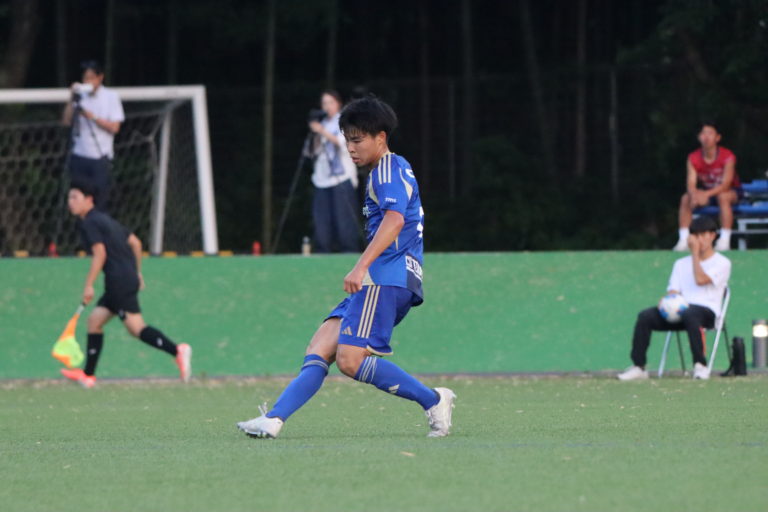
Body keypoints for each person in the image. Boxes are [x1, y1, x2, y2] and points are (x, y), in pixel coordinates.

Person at [237, 96, 455, 438]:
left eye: (357, 140)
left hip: (384, 278)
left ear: (380, 137)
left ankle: (433, 400)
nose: (350, 148)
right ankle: (274, 419)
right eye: (347, 139)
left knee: (350, 361)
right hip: (384, 278)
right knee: (320, 347)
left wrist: (360, 266)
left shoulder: (387, 169)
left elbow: (395, 220)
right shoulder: (390, 169)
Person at [61, 182, 191, 388]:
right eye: (69, 197)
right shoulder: (107, 221)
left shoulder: (90, 223)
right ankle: (88, 376)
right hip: (123, 278)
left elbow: (100, 254)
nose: (71, 202)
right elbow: (136, 243)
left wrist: (89, 285)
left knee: (136, 328)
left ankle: (177, 350)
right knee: (94, 321)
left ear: (89, 199)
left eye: (75, 197)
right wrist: (136, 272)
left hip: (117, 281)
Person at [619, 216, 731, 381]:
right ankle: (639, 367)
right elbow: (673, 291)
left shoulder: (722, 263)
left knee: (691, 314)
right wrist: (666, 302)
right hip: (680, 311)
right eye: (696, 235)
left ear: (713, 236)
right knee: (645, 316)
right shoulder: (680, 264)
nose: (699, 240)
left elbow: (701, 280)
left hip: (707, 313)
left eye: (703, 235)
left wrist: (694, 254)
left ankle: (700, 365)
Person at [61, 60, 125, 211]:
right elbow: (66, 121)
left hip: (100, 158)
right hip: (78, 156)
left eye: (91, 78)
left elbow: (115, 127)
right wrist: (72, 98)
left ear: (100, 77)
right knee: (77, 203)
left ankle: (97, 225)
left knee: (99, 202)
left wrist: (92, 117)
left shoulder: (111, 97)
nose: (87, 81)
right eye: (85, 78)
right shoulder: (80, 95)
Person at [673, 122, 741, 252]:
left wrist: (705, 194)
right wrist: (694, 195)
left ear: (717, 137)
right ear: (699, 137)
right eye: (703, 133)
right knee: (686, 198)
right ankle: (684, 239)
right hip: (708, 193)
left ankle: (724, 240)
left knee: (723, 197)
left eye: (710, 133)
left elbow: (726, 184)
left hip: (730, 192)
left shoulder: (728, 156)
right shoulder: (693, 157)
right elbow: (691, 183)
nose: (706, 137)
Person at [308, 90, 360, 253]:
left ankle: (350, 251)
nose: (327, 106)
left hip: (342, 177)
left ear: (338, 104)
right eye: (324, 103)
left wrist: (322, 131)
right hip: (322, 178)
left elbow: (343, 143)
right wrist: (316, 134)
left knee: (344, 218)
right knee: (322, 219)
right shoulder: (321, 124)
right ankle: (322, 250)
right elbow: (311, 152)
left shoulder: (345, 122)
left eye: (331, 102)